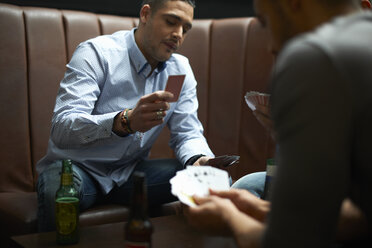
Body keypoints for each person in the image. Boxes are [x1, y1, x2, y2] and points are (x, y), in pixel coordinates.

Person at [184, 0, 372, 247]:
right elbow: (359, 216)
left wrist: (229, 218)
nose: (271, 46)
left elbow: (286, 242)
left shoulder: (314, 58)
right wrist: (262, 211)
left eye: (264, 22)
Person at [36, 0, 214, 232]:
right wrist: (125, 122)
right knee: (56, 191)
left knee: (213, 180)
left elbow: (187, 133)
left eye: (186, 29)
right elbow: (62, 127)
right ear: (146, 14)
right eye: (171, 22)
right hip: (78, 170)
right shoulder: (97, 53)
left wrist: (200, 160)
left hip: (132, 175)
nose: (178, 34)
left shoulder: (180, 70)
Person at [232, 0, 372, 198]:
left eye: (267, 22)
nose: (271, 47)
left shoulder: (311, 61)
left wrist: (234, 219)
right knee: (247, 185)